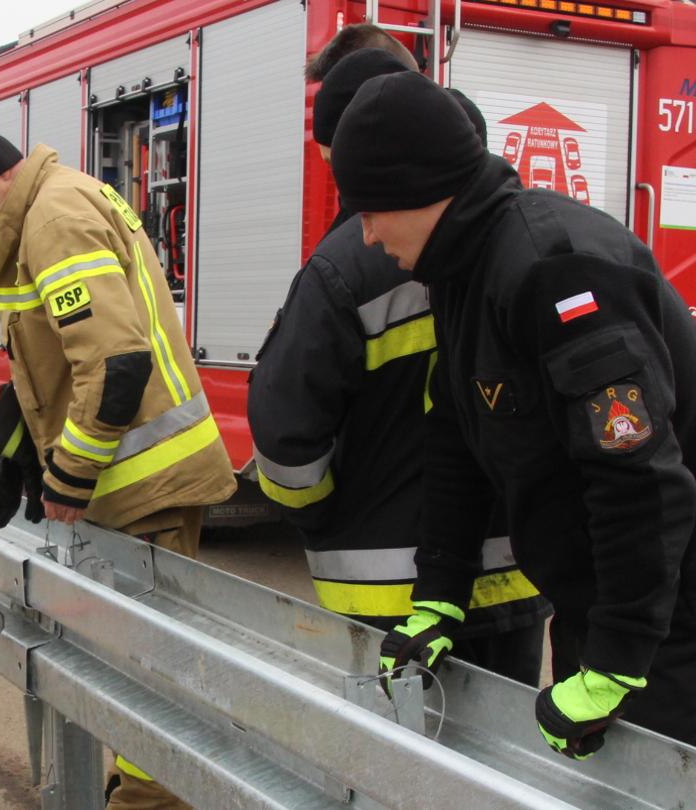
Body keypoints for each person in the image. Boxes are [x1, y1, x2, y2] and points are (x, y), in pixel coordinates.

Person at [329, 70, 696, 774]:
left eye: (368, 209)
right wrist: (440, 595)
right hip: (600, 611)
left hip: (682, 627)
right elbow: (456, 433)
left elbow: (640, 477)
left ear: (417, 190)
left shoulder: (557, 272)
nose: (364, 232)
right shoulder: (460, 272)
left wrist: (620, 656)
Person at [0, 127, 236, 810]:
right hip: (137, 475)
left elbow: (115, 363)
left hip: (144, 479)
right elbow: (62, 350)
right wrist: (21, 443)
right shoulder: (53, 205)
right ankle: (139, 788)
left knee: (148, 670)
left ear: (6, 175)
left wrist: (70, 472)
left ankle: (149, 801)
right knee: (133, 658)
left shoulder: (54, 217)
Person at [249, 47, 550, 686]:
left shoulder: (342, 266)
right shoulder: (514, 238)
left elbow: (285, 430)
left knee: (397, 774)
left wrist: (318, 514)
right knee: (502, 770)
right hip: (518, 576)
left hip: (390, 593)